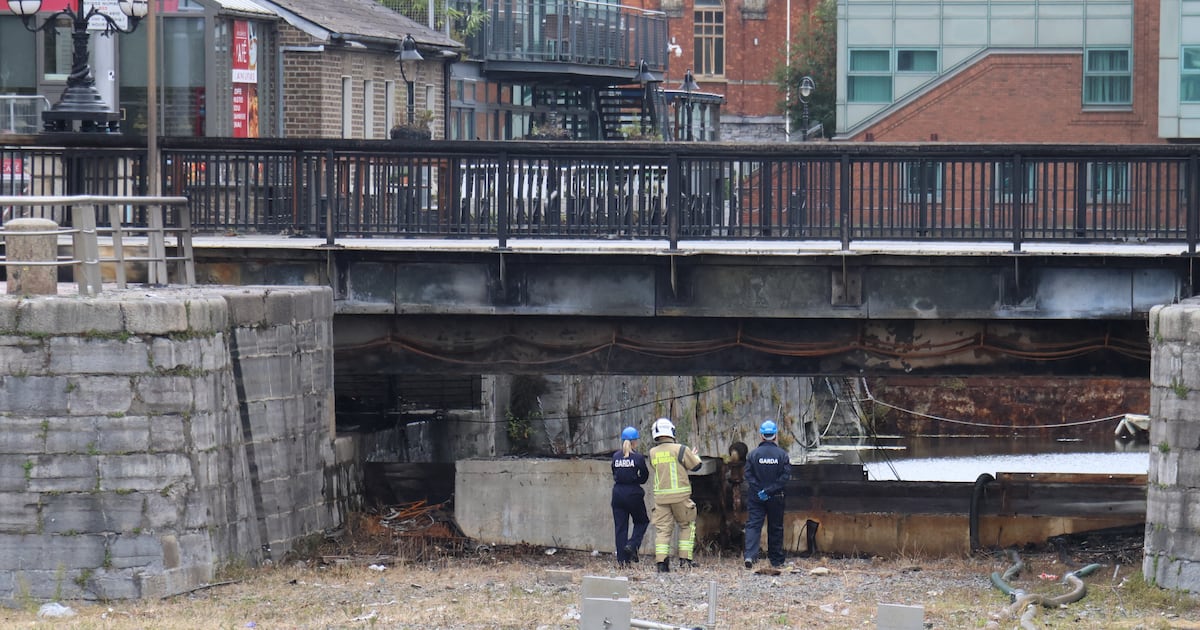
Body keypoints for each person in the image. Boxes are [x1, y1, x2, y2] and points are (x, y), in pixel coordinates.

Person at [647, 417, 703, 572]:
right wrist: (693, 455)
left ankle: (661, 564)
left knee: (663, 530)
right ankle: (685, 560)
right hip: (680, 497)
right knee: (686, 526)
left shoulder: (652, 452)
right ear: (671, 431)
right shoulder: (680, 449)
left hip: (661, 498)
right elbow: (696, 466)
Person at [744, 419, 791, 569]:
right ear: (775, 435)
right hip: (776, 497)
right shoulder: (782, 455)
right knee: (775, 527)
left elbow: (748, 474)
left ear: (761, 436)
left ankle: (750, 556)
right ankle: (776, 560)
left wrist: (759, 490)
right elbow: (785, 477)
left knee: (753, 525)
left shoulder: (753, 455)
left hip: (756, 497)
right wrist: (770, 490)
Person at [611, 426, 650, 567]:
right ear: (635, 442)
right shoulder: (638, 458)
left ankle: (622, 561)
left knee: (620, 527)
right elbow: (645, 476)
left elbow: (614, 473)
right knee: (642, 521)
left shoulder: (616, 456)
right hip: (633, 493)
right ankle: (632, 545)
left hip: (617, 493)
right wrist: (636, 481)